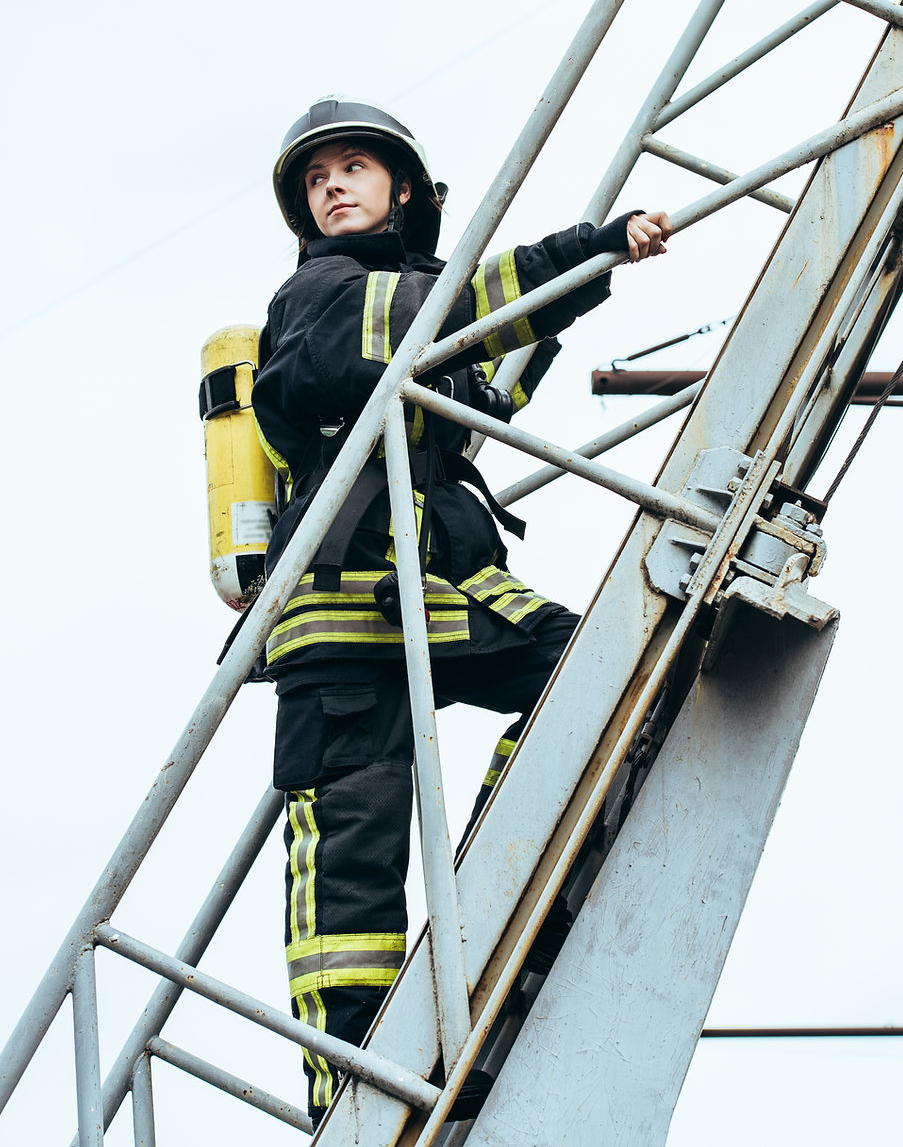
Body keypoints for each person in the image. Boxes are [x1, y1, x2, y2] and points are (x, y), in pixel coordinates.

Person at [251, 96, 672, 1125]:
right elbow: (456, 310)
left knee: (588, 670)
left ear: (402, 190)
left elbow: (486, 364)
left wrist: (582, 280)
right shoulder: (320, 295)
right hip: (343, 617)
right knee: (348, 874)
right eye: (317, 179)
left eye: (352, 168)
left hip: (434, 587)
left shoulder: (410, 299)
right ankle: (348, 1094)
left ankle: (493, 874)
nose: (332, 187)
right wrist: (591, 247)